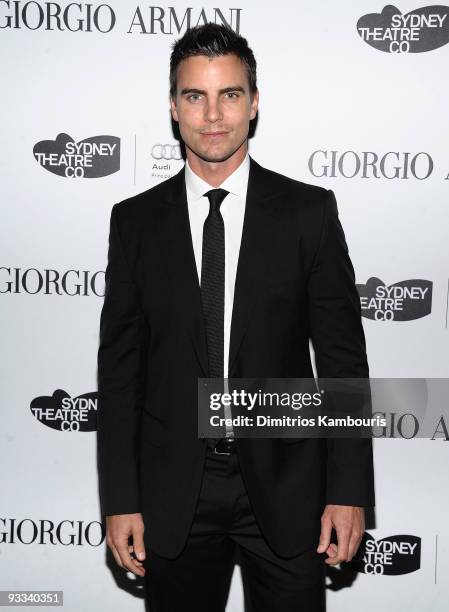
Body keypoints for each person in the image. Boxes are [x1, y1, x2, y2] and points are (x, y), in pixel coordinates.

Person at [97, 22, 375, 612]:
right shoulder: (135, 223)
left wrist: (348, 490)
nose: (213, 114)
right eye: (195, 95)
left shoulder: (309, 213)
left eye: (230, 94)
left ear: (254, 103)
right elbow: (120, 372)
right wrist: (120, 497)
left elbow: (343, 361)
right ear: (174, 108)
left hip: (288, 487)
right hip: (174, 494)